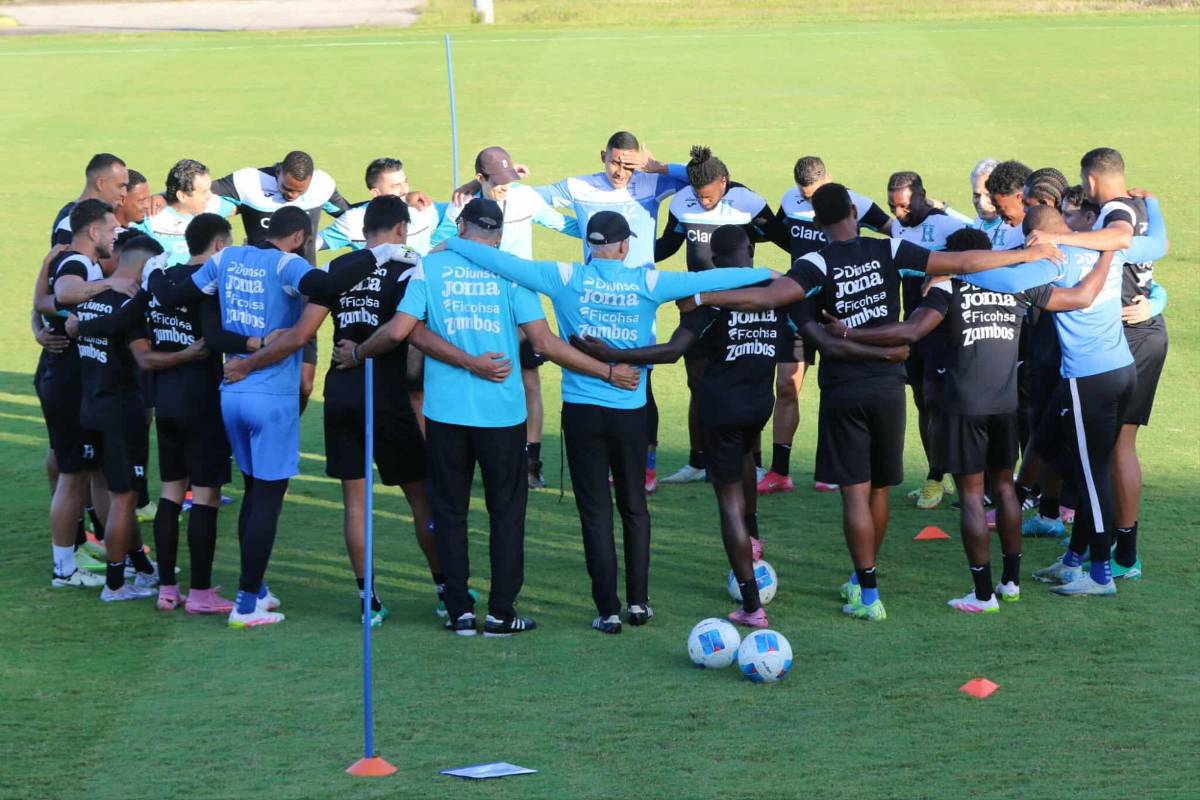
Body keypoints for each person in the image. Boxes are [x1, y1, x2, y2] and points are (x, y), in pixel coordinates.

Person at [687, 183, 1056, 622]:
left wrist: (704, 296)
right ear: (852, 212)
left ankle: (867, 592)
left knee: (855, 495)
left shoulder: (814, 262)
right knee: (880, 488)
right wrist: (1022, 255)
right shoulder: (890, 250)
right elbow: (962, 262)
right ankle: (865, 580)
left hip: (845, 389)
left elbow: (771, 297)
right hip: (889, 386)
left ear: (820, 222)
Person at [440, 209, 778, 634]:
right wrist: (770, 270)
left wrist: (454, 243)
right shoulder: (647, 282)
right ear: (623, 246)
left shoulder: (563, 277)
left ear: (589, 245)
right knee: (634, 507)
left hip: (581, 411)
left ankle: (608, 610)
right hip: (630, 411)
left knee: (594, 512)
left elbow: (506, 264)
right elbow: (708, 281)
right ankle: (638, 603)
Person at [338, 199, 640, 637]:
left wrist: (360, 352)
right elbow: (545, 343)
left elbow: (404, 330)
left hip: (445, 413)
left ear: (460, 227)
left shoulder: (431, 267)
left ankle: (459, 611)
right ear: (497, 235)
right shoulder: (511, 270)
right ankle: (501, 613)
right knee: (506, 513)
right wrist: (608, 372)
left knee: (450, 510)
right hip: (501, 413)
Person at [571, 225, 888, 628]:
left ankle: (752, 605)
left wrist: (613, 354)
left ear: (715, 263)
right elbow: (819, 337)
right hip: (760, 406)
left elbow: (671, 352)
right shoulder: (779, 295)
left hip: (719, 410)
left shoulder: (714, 303)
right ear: (751, 252)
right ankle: (753, 544)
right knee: (744, 467)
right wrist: (884, 346)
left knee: (728, 503)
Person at [822, 227, 1112, 613]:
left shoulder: (949, 286)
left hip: (962, 406)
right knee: (1007, 489)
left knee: (973, 496)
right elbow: (1081, 297)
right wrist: (1111, 253)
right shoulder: (1016, 284)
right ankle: (1010, 583)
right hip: (1005, 405)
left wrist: (847, 331)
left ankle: (982, 594)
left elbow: (911, 331)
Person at [147, 205, 391, 627]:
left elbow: (171, 296)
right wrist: (378, 255)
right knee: (267, 498)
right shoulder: (288, 264)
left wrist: (153, 269)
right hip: (272, 396)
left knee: (253, 489)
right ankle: (246, 605)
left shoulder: (225, 259)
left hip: (231, 395)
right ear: (298, 236)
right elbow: (328, 283)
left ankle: (255, 588)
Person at [309, 196, 466, 625]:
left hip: (339, 392)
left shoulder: (340, 270)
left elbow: (309, 318)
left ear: (364, 233)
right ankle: (446, 590)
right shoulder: (408, 268)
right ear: (401, 229)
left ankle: (368, 601)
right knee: (421, 498)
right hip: (386, 395)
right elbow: (410, 335)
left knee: (354, 504)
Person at [1025, 148, 1170, 579]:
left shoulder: (1114, 216)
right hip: (1126, 338)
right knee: (1081, 451)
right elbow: (1156, 247)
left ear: (1090, 185)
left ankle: (1117, 560)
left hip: (1124, 344)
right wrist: (1156, 203)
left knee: (1111, 454)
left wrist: (1059, 240)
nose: (1067, 222)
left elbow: (1121, 241)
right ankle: (1078, 555)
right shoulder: (1135, 209)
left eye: (1073, 215)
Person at [436, 146, 581, 489]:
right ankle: (482, 453)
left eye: (508, 180)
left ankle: (531, 460)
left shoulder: (525, 198)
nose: (505, 187)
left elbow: (565, 225)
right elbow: (438, 245)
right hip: (479, 305)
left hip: (520, 303)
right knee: (485, 372)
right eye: (498, 182)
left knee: (529, 379)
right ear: (480, 179)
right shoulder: (460, 209)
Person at [759, 155, 891, 495]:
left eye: (814, 193)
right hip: (799, 305)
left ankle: (833, 468)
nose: (809, 201)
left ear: (830, 178)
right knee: (787, 385)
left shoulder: (856, 202)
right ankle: (780, 471)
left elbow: (891, 230)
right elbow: (781, 234)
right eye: (805, 195)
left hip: (840, 310)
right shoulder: (790, 199)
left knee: (838, 389)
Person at [656, 146, 786, 485]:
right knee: (696, 383)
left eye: (708, 195)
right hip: (697, 306)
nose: (702, 201)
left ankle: (753, 463)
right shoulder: (682, 202)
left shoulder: (748, 202)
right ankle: (698, 462)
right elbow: (668, 246)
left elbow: (783, 238)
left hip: (740, 308)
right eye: (698, 195)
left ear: (724, 182)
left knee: (745, 382)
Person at [130, 213, 236, 613]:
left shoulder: (161, 280)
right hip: (202, 402)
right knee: (206, 496)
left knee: (172, 492)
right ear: (219, 246)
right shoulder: (209, 287)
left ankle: (168, 588)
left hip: (166, 401)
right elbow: (215, 340)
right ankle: (203, 593)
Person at [39, 200, 135, 589]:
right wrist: (110, 284)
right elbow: (64, 293)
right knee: (72, 474)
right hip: (67, 380)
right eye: (111, 229)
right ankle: (64, 568)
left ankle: (118, 555)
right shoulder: (78, 263)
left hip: (70, 378)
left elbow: (44, 302)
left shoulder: (76, 260)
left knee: (93, 470)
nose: (115, 235)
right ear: (93, 232)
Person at [64, 235, 166, 601]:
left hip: (90, 407)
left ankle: (140, 566)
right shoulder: (132, 308)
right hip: (122, 412)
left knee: (115, 492)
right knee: (125, 498)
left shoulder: (89, 302)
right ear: (148, 266)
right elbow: (145, 356)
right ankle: (115, 585)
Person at [210, 150, 352, 411]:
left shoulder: (322, 185)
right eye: (287, 189)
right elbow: (199, 195)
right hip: (257, 296)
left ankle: (285, 431)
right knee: (252, 375)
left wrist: (323, 241)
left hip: (306, 297)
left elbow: (350, 215)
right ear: (278, 172)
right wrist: (164, 200)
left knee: (304, 385)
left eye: (300, 192)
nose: (292, 197)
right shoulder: (249, 181)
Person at [887, 170, 969, 510]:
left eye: (905, 206)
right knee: (922, 403)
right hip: (914, 329)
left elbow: (977, 253)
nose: (898, 214)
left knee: (938, 403)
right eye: (893, 207)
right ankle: (938, 474)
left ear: (922, 196)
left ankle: (937, 477)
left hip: (943, 330)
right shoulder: (897, 227)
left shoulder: (948, 226)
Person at [316, 157, 439, 255]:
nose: (404, 190)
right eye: (396, 186)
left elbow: (452, 219)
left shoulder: (423, 207)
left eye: (405, 182)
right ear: (376, 192)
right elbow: (311, 245)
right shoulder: (353, 220)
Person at [145, 159, 239, 267]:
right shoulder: (152, 217)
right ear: (182, 196)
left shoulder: (214, 206)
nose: (210, 196)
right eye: (204, 192)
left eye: (209, 189)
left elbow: (246, 205)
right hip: (166, 282)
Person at [51, 153, 129, 246]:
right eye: (120, 186)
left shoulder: (101, 215)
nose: (124, 193)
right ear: (101, 184)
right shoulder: (70, 222)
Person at [969, 158, 1022, 250]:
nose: (981, 203)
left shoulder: (1022, 225)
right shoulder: (978, 222)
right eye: (976, 195)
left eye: (988, 195)